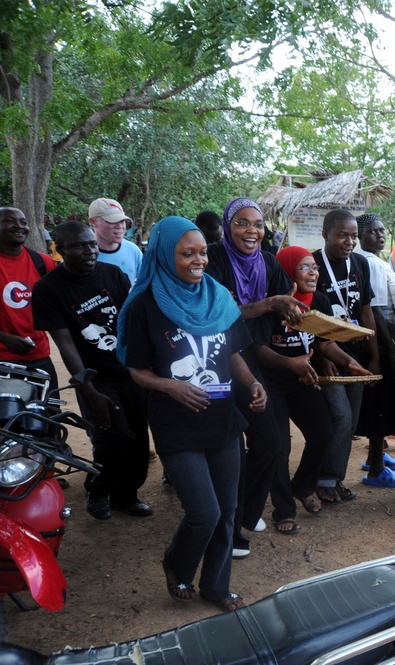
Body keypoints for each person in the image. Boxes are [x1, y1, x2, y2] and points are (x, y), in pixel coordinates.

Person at [119, 215, 266, 613]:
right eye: (187, 254)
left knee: (228, 512)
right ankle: (176, 563)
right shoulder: (145, 305)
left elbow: (233, 351)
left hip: (223, 420)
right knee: (204, 512)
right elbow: (137, 370)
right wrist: (172, 386)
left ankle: (216, 587)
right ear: (165, 255)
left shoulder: (218, 296)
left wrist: (251, 382)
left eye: (202, 252)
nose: (198, 260)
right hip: (176, 422)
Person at [206, 197, 304, 557]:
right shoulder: (213, 259)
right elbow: (217, 313)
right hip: (212, 360)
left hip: (252, 356)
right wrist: (269, 304)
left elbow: (281, 306)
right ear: (228, 225)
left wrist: (293, 313)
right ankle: (226, 533)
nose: (252, 231)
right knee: (227, 445)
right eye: (242, 223)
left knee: (268, 441)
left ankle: (245, 511)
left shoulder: (266, 261)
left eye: (258, 224)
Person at [33, 220, 151, 521]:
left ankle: (127, 496)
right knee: (115, 438)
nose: (88, 250)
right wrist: (89, 389)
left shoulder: (113, 274)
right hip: (96, 378)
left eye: (90, 244)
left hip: (130, 372)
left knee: (138, 440)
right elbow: (66, 345)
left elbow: (130, 322)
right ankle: (99, 490)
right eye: (78, 246)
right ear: (59, 250)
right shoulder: (48, 289)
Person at [254, 246, 373, 534]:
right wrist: (289, 362)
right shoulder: (274, 303)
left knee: (323, 433)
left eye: (314, 267)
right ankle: (284, 510)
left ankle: (303, 485)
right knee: (279, 448)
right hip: (271, 381)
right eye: (304, 267)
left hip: (301, 379)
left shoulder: (317, 299)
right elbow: (257, 350)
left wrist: (349, 362)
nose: (313, 271)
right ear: (287, 272)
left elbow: (325, 343)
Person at [312, 209, 395, 490]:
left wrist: (374, 357)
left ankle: (334, 479)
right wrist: (318, 355)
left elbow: (366, 312)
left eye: (352, 236)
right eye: (341, 235)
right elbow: (305, 316)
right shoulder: (313, 264)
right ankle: (323, 480)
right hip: (327, 357)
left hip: (358, 356)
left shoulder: (359, 263)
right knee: (339, 419)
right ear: (326, 235)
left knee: (349, 423)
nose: (349, 242)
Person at [353, 213, 395, 478]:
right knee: (379, 404)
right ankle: (376, 469)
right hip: (382, 342)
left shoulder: (374, 260)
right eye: (373, 232)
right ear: (360, 236)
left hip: (381, 340)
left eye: (382, 230)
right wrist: (391, 350)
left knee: (379, 402)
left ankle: (375, 456)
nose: (380, 235)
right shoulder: (370, 262)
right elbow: (376, 310)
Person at [0, 207, 58, 382]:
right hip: (3, 360)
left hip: (40, 358)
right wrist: (4, 339)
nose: (19, 226)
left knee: (50, 409)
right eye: (10, 221)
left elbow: (56, 307)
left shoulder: (42, 262)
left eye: (24, 222)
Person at [89, 198, 143, 283]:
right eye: (112, 221)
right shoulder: (81, 255)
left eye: (122, 221)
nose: (120, 226)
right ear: (93, 222)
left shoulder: (133, 250)